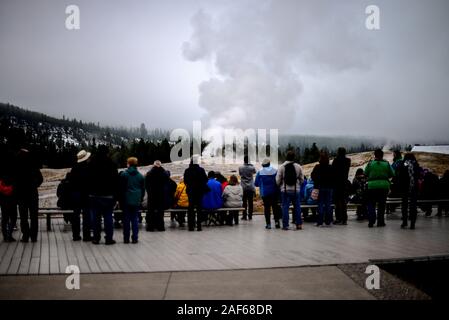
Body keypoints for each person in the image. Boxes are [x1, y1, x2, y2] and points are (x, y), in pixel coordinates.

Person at [87, 145, 119, 245]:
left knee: (96, 218)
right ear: (107, 152)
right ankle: (109, 238)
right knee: (108, 217)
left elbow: (88, 180)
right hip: (108, 195)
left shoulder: (92, 163)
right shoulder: (112, 164)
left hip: (94, 195)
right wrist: (116, 196)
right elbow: (115, 181)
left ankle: (96, 238)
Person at [14, 149, 43, 243]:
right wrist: (35, 185)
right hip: (33, 194)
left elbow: (14, 182)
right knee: (34, 216)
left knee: (23, 217)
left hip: (21, 195)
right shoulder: (33, 165)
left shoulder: (17, 167)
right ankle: (34, 236)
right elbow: (40, 179)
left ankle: (25, 236)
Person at [364, 149, 395, 228]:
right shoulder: (386, 164)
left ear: (375, 155)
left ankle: (371, 220)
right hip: (384, 186)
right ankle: (380, 222)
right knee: (382, 205)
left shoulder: (370, 163)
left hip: (372, 186)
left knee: (371, 204)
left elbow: (365, 173)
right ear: (382, 155)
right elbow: (392, 173)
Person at [276, 151, 304, 230]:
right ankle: (298, 224)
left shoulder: (282, 167)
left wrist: (280, 185)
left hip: (285, 190)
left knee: (285, 207)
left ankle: (285, 225)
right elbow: (302, 179)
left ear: (286, 157)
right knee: (297, 207)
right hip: (296, 190)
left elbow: (277, 180)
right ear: (293, 157)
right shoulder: (298, 166)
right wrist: (298, 184)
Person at [119, 157, 145, 243]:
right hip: (136, 200)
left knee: (126, 219)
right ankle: (135, 238)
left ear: (129, 164)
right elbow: (143, 189)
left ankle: (126, 238)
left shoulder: (124, 175)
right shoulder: (140, 176)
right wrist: (140, 199)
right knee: (135, 219)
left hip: (126, 199)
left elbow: (121, 189)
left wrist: (120, 200)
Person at [69, 150, 92, 241]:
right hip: (86, 194)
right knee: (87, 216)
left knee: (76, 215)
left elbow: (70, 182)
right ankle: (86, 236)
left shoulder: (74, 168)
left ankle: (76, 235)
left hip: (75, 194)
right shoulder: (88, 168)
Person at [184, 155, 209, 231]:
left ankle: (191, 226)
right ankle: (199, 226)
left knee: (190, 209)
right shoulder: (201, 170)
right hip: (199, 191)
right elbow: (205, 180)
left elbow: (185, 181)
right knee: (199, 209)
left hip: (191, 191)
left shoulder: (187, 170)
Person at [395, 153, 420, 229]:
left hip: (404, 187)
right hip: (414, 187)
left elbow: (399, 173)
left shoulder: (404, 163)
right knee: (413, 205)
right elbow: (418, 175)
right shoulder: (415, 164)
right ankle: (412, 223)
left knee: (404, 205)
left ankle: (404, 222)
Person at [255, 158, 281, 229]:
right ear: (269, 163)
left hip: (265, 193)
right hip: (274, 192)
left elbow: (256, 183)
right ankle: (277, 223)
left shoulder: (260, 172)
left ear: (263, 165)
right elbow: (279, 181)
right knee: (275, 207)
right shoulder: (275, 171)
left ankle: (268, 224)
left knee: (267, 208)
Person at [311, 151, 335, 227]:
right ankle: (328, 221)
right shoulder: (331, 167)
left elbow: (312, 176)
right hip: (329, 187)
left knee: (320, 204)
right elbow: (334, 177)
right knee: (328, 204)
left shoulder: (317, 167)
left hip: (319, 187)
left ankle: (320, 222)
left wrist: (316, 181)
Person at [145, 160, 169, 232]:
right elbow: (167, 184)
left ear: (154, 165)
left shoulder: (149, 173)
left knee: (151, 211)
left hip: (152, 195)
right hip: (161, 195)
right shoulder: (164, 173)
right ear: (160, 165)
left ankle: (150, 227)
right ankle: (161, 227)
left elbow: (146, 185)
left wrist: (149, 192)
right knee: (160, 212)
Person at [0, 154, 17, 242]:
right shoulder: (13, 172)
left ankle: (5, 235)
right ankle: (9, 234)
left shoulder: (1, 172)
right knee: (13, 218)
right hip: (12, 199)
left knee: (4, 218)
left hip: (3, 199)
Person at [332, 147, 351, 225]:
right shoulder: (348, 161)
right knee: (343, 201)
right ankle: (344, 219)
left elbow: (333, 171)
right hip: (344, 182)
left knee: (337, 201)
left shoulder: (336, 160)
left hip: (336, 183)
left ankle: (338, 218)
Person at [239, 156, 256, 220]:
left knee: (244, 202)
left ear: (244, 160)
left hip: (243, 187)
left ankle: (244, 215)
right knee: (250, 202)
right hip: (251, 187)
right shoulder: (252, 167)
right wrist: (251, 165)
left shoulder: (240, 168)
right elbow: (254, 172)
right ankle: (250, 215)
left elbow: (240, 174)